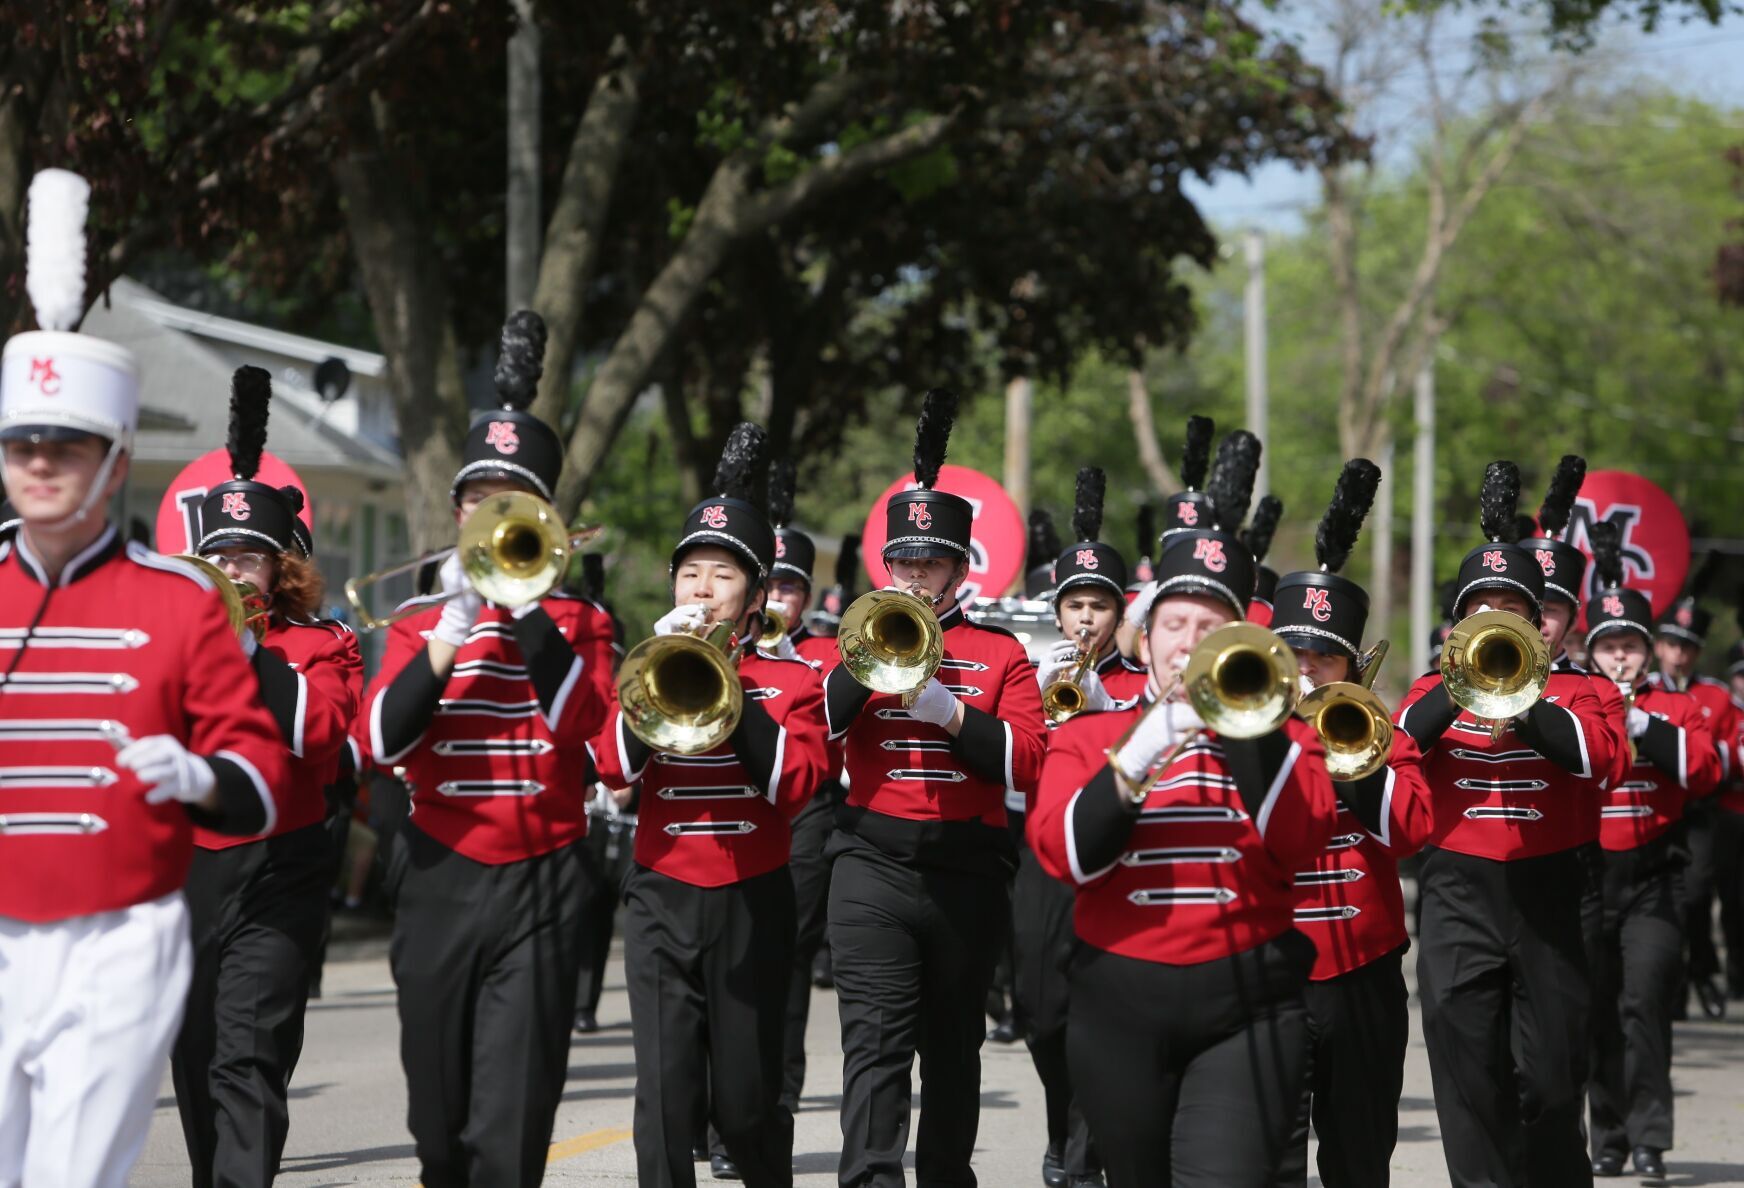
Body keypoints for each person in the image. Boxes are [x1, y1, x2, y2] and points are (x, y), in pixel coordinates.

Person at [0, 169, 287, 1188]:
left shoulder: (181, 601)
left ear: (117, 459)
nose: (41, 464)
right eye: (21, 443)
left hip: (119, 937)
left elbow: (260, 774)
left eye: (67, 445)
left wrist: (201, 775)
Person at [1028, 430, 1339, 1188]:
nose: (1190, 644)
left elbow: (1301, 841)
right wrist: (1148, 741)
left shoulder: (1287, 741)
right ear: (1146, 640)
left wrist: (1246, 730)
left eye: (1211, 629)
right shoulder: (1089, 735)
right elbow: (1068, 856)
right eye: (1175, 626)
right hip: (1117, 1003)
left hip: (1248, 1003)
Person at [362, 311, 616, 1187]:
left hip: (544, 875)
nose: (491, 513)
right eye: (478, 499)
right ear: (456, 511)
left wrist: (526, 610)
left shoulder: (580, 622)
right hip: (438, 868)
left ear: (545, 515)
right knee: (438, 1128)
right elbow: (382, 740)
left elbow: (588, 730)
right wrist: (453, 630)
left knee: (511, 1128)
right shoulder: (418, 620)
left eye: (513, 500)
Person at [593, 424, 828, 1188]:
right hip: (661, 893)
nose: (701, 589)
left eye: (722, 576)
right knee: (664, 1096)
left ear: (756, 598)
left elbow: (797, 784)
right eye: (690, 573)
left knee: (748, 1101)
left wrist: (730, 684)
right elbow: (611, 766)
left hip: (752, 899)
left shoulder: (791, 681)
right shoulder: (650, 667)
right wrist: (655, 673)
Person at [824, 389, 1048, 1188]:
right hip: (871, 865)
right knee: (874, 1047)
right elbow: (822, 725)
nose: (915, 576)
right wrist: (870, 657)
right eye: (904, 563)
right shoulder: (857, 636)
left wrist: (951, 713)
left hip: (966, 871)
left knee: (953, 1052)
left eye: (930, 564)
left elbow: (1028, 761)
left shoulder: (1000, 651)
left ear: (958, 570)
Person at [1395, 460, 1618, 1188]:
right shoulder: (1429, 690)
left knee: (1553, 1081)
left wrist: (1521, 698)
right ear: (1460, 622)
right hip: (1457, 893)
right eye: (1481, 607)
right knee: (1467, 1073)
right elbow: (1392, 748)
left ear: (1537, 620)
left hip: (1552, 892)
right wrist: (1461, 685)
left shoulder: (1586, 692)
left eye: (1512, 608)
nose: (1496, 617)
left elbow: (1599, 760)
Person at [171, 367, 365, 1188]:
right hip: (186, 870)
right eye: (218, 557)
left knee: (248, 1056)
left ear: (281, 568)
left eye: (248, 557)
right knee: (194, 1058)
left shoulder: (322, 645)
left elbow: (319, 735)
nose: (233, 571)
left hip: (281, 867)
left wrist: (249, 652)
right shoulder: (174, 643)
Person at [1273, 460, 1434, 1188]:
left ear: (1352, 665)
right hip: (1269, 964)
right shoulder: (1240, 735)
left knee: (1359, 1154)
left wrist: (1348, 752)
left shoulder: (1382, 736)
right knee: (1263, 1153)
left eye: (1324, 656)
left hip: (1361, 968)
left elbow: (1410, 831)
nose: (1308, 671)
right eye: (1295, 654)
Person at [1583, 529, 1720, 1180]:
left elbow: (1705, 771)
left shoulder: (1676, 705)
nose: (1620, 656)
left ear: (1647, 651)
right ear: (1593, 651)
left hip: (1654, 877)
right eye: (1608, 645)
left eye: (1631, 645)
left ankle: (1649, 1139)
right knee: (1598, 1008)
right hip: (1590, 877)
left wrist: (1644, 724)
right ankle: (1607, 1135)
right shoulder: (1577, 702)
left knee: (1645, 1003)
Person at [1017, 466, 1134, 1188]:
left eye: (1099, 605)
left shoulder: (1136, 686)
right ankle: (1065, 1123)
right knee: (1040, 1011)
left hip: (1115, 860)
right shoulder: (1031, 677)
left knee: (1099, 1008)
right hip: (1041, 856)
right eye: (1075, 605)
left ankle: (1087, 1151)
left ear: (1119, 614)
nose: (1086, 619)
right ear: (1057, 613)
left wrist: (1105, 711)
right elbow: (1012, 768)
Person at [760, 458, 848, 1120]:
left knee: (787, 952)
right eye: (769, 585)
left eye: (789, 588)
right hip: (732, 809)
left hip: (806, 813)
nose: (777, 600)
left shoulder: (825, 653)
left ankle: (780, 1085)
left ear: (805, 596)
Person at [1646, 571, 1742, 1016]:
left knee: (1697, 893)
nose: (1678, 655)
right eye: (1671, 644)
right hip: (1654, 806)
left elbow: (1731, 751)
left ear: (1698, 652)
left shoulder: (1717, 697)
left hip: (1700, 810)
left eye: (1687, 647)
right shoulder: (1642, 690)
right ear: (1658, 646)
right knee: (1665, 899)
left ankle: (1701, 970)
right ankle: (1677, 985)